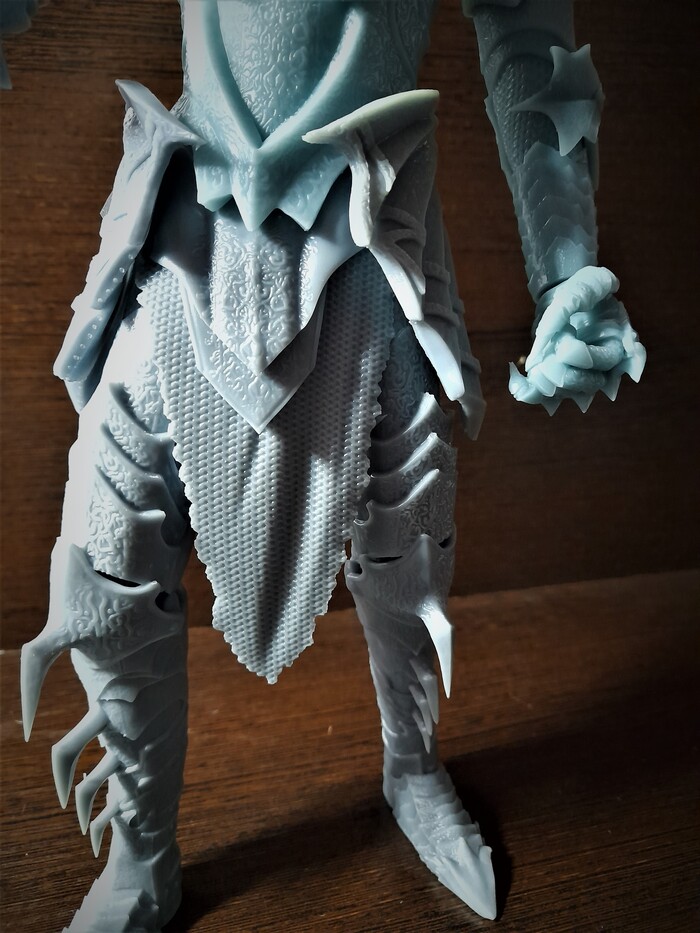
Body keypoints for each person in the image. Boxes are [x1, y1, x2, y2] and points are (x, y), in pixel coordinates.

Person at [21, 1, 645, 929]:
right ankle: (140, 853)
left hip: (369, 236)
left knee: (409, 539)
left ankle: (412, 765)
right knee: (106, 550)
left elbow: (526, 32)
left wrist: (567, 274)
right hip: (195, 217)